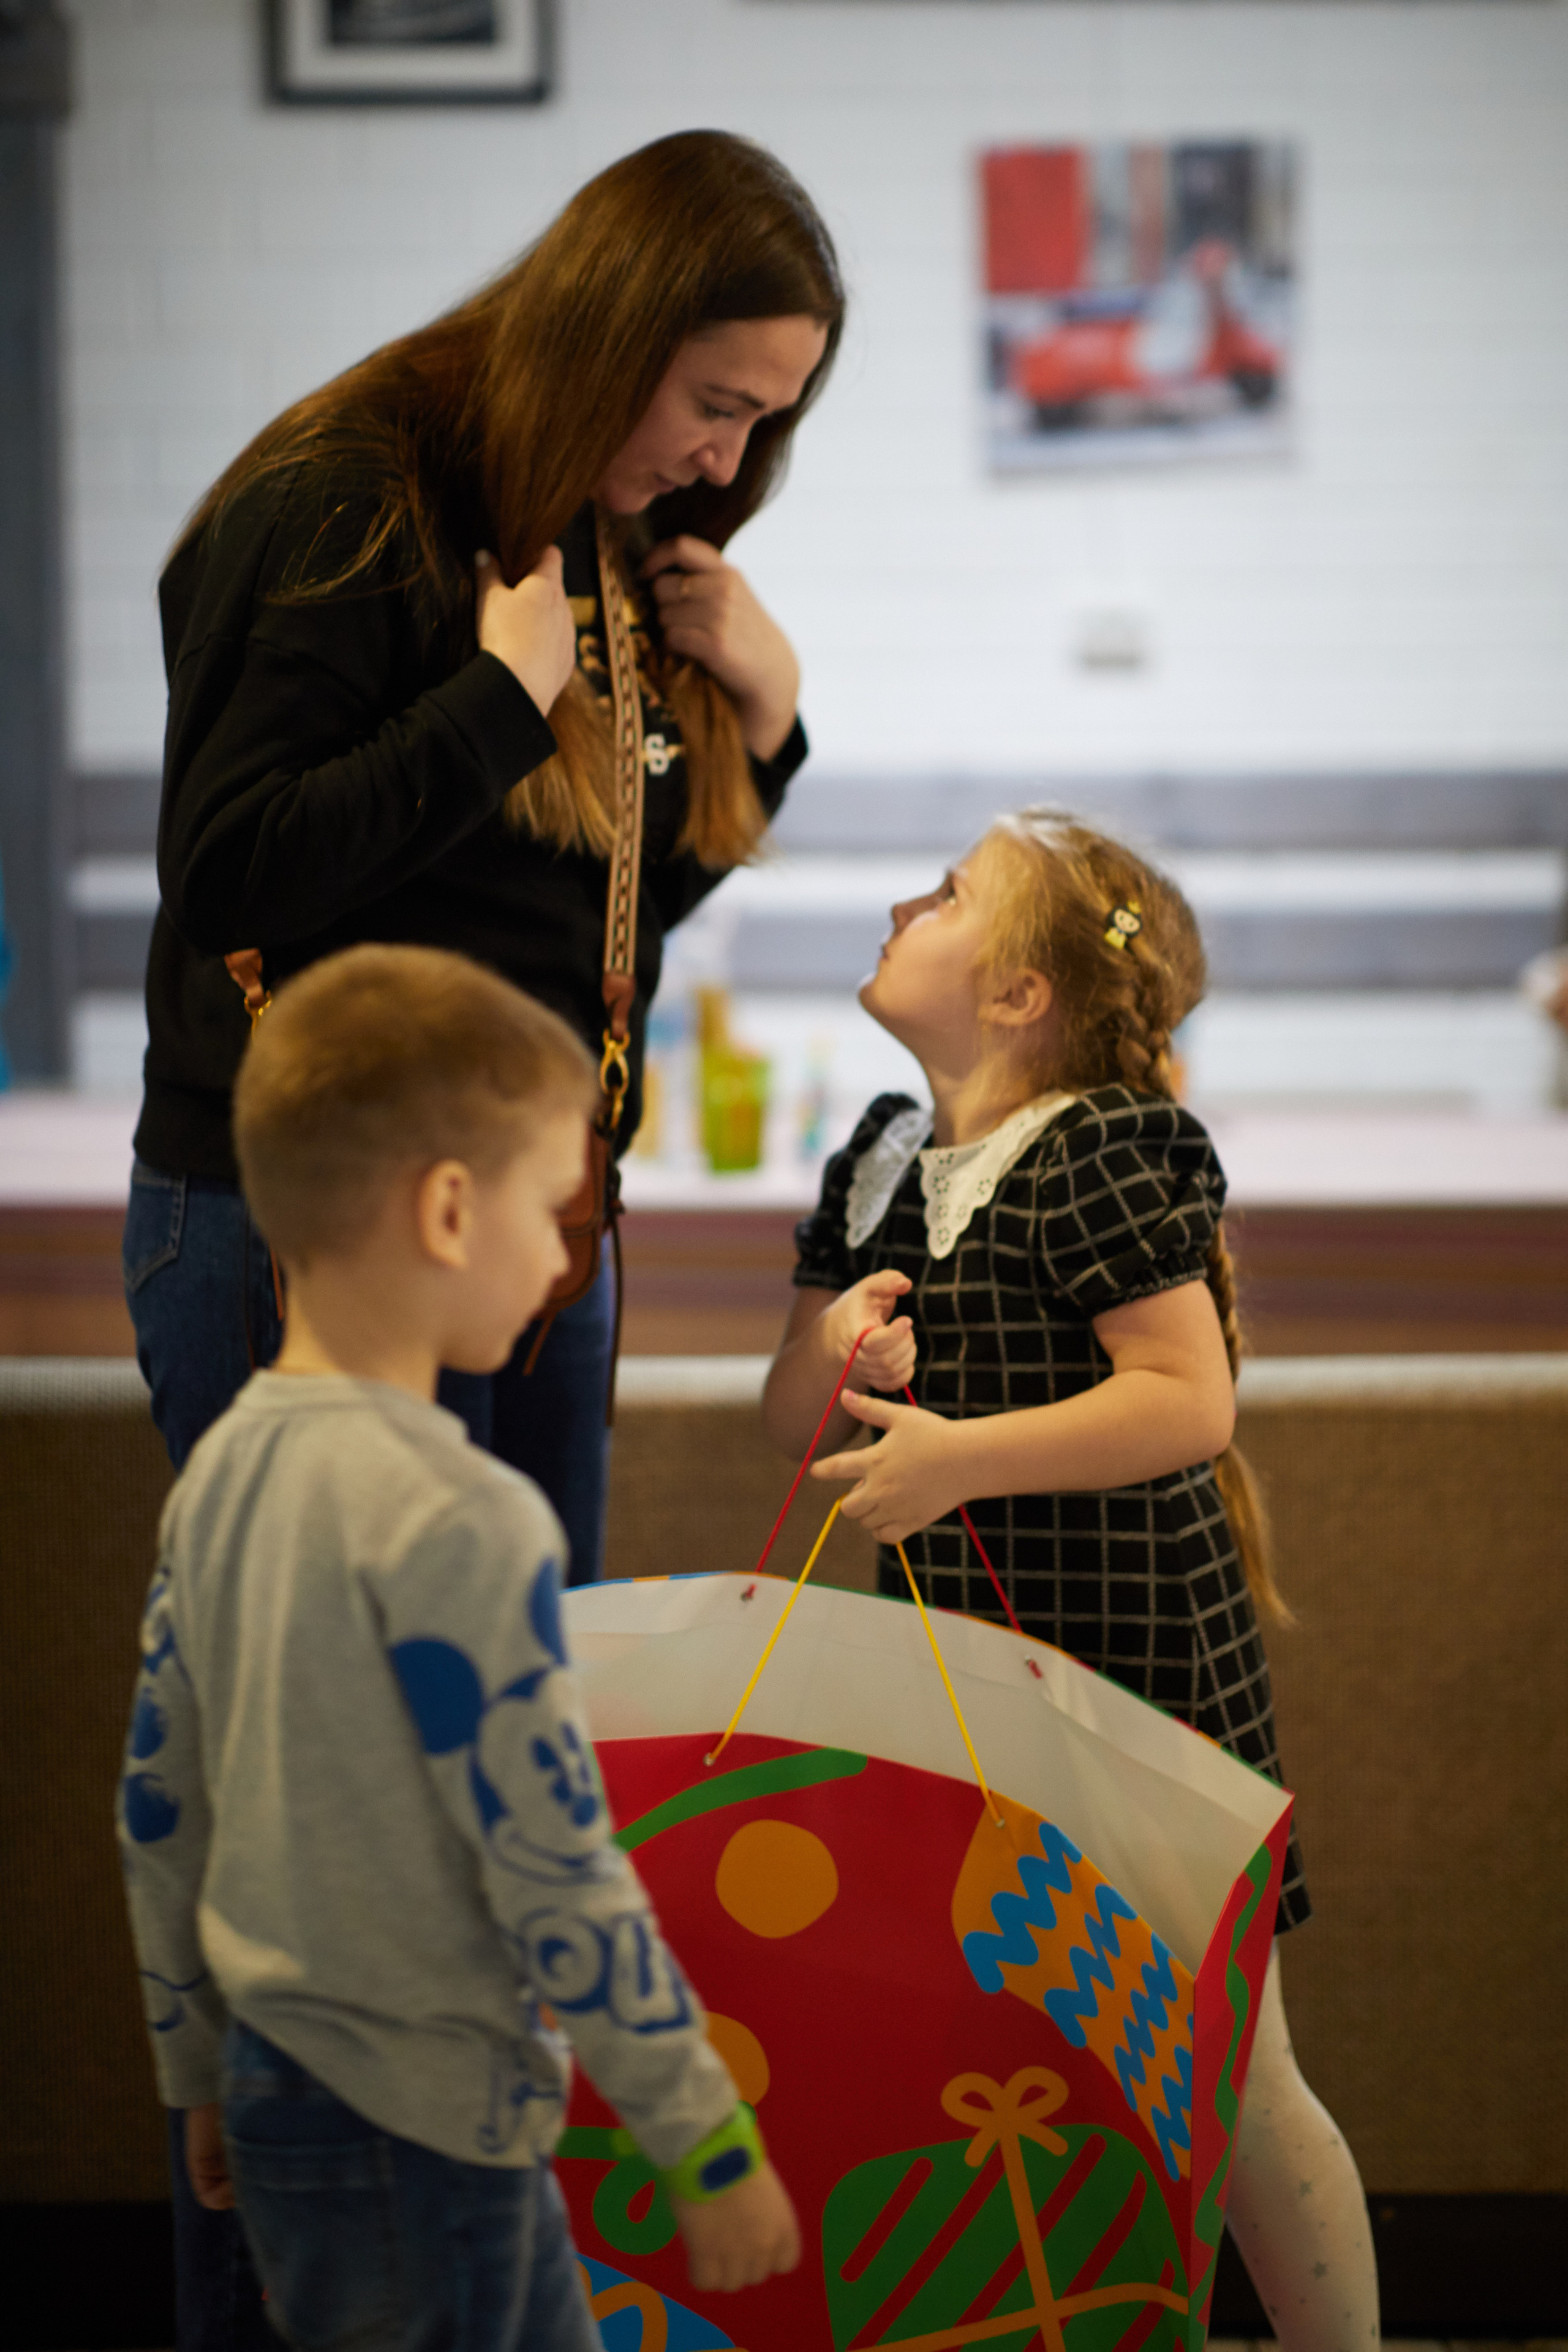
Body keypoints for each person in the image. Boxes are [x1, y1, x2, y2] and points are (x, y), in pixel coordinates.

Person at [124, 126, 843, 1593]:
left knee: (530, 1672)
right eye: (715, 404)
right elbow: (227, 869)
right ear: (612, 332)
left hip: (531, 1216)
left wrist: (767, 730)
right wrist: (500, 702)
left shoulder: (610, 517)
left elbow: (583, 908)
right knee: (350, 1703)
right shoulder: (351, 493)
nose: (726, 461)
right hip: (319, 1214)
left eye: (763, 423)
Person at [118, 944, 801, 2352]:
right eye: (548, 1209)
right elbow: (552, 1858)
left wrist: (194, 2067)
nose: (560, 1259)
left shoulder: (221, 1475)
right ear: (445, 1209)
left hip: (277, 2081)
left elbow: (158, 1809)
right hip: (427, 2128)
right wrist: (701, 2134)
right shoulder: (465, 1516)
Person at [762, 811, 1381, 2352]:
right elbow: (788, 1413)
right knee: (997, 2054)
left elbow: (1186, 1399)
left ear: (1018, 994)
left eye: (949, 893)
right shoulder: (880, 1156)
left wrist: (954, 1460)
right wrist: (838, 1351)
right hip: (960, 1691)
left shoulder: (1099, 1147)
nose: (904, 902)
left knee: (1231, 2071)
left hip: (1136, 1678)